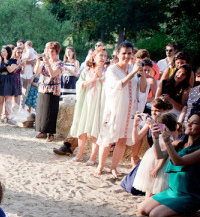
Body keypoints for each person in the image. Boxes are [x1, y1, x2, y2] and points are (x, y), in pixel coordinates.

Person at [137, 110, 200, 217]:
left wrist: (167, 142)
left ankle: (194, 215)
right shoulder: (179, 143)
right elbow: (159, 155)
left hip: (189, 195)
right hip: (172, 191)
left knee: (156, 216)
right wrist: (156, 138)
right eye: (189, 121)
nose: (188, 124)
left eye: (194, 123)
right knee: (142, 209)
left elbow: (178, 161)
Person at [96, 41, 147, 177]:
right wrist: (133, 72)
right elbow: (119, 85)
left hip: (130, 109)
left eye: (129, 54)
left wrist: (141, 74)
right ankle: (100, 166)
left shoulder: (133, 68)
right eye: (124, 53)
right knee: (108, 138)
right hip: (115, 109)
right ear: (118, 54)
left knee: (122, 139)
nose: (126, 56)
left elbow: (142, 89)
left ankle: (114, 167)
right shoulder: (112, 70)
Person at [121, 96, 174, 195]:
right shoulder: (150, 122)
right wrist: (135, 125)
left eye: (157, 111)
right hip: (151, 156)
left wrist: (154, 125)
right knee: (131, 186)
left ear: (165, 110)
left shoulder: (168, 125)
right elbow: (135, 139)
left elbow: (166, 147)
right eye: (152, 110)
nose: (153, 113)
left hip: (162, 157)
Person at [69, 47, 108, 165]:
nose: (103, 58)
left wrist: (100, 77)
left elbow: (108, 88)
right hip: (86, 101)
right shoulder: (86, 71)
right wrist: (93, 79)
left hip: (99, 103)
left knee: (96, 129)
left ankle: (93, 157)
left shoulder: (108, 72)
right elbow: (80, 84)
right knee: (82, 127)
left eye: (105, 56)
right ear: (94, 57)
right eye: (101, 55)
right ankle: (80, 153)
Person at [132, 112, 180, 197]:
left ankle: (149, 201)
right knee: (149, 185)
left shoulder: (168, 138)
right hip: (152, 160)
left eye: (158, 124)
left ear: (164, 125)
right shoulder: (164, 133)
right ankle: (147, 201)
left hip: (159, 164)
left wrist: (157, 169)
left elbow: (165, 156)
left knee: (156, 185)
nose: (156, 125)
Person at [34, 41, 65, 142]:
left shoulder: (60, 63)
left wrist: (47, 63)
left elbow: (53, 74)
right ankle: (42, 131)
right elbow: (36, 72)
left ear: (56, 52)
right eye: (48, 50)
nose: (49, 53)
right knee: (42, 110)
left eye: (52, 51)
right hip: (43, 88)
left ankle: (50, 133)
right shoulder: (44, 61)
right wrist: (39, 61)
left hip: (53, 90)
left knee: (51, 112)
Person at [0, 45, 19, 122]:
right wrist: (0, 62)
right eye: (1, 51)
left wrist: (6, 62)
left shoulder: (13, 61)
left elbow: (11, 70)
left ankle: (7, 117)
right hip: (1, 79)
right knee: (0, 100)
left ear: (8, 52)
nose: (2, 53)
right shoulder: (0, 60)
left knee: (8, 100)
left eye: (4, 51)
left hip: (9, 80)